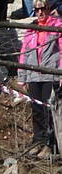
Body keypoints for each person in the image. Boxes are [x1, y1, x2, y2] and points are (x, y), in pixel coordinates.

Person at [19, 0, 62, 154]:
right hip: (33, 74)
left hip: (50, 73)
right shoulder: (31, 28)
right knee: (36, 109)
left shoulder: (56, 26)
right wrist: (22, 75)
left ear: (48, 9)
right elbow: (24, 51)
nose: (39, 13)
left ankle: (50, 144)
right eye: (36, 10)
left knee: (48, 110)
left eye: (42, 9)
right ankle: (38, 140)